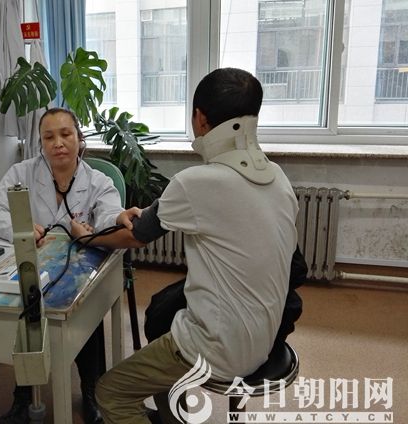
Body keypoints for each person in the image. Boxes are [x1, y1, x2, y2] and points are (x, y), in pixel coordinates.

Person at [70, 68, 299, 423]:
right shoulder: (279, 179)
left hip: (218, 348)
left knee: (110, 392)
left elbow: (136, 235)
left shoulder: (197, 182)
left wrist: (82, 236)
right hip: (264, 336)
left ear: (200, 119)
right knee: (161, 315)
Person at [0, 107, 124, 424]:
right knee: (26, 307)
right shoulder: (22, 173)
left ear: (79, 138)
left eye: (65, 134)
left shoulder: (98, 181)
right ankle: (23, 398)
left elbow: (109, 215)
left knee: (85, 307)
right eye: (48, 137)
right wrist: (21, 228)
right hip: (33, 264)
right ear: (41, 143)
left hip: (80, 267)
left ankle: (91, 392)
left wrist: (97, 229)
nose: (58, 143)